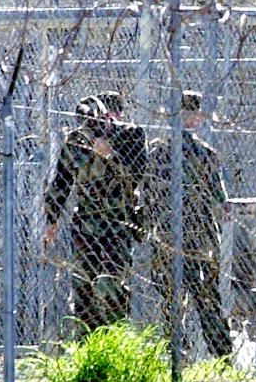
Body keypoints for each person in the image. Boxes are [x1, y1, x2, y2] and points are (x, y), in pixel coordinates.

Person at [44, 95, 147, 334]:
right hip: (86, 224)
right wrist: (51, 221)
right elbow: (61, 181)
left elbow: (138, 175)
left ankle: (116, 338)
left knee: (110, 282)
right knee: (83, 288)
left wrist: (110, 155)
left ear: (109, 117)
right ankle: (87, 346)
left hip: (118, 223)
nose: (93, 132)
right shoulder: (76, 141)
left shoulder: (130, 135)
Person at [147, 90, 233, 358]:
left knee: (174, 297)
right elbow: (221, 201)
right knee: (203, 296)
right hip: (194, 237)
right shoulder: (200, 154)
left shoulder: (161, 152)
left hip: (173, 234)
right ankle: (220, 355)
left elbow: (149, 194)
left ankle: (179, 354)